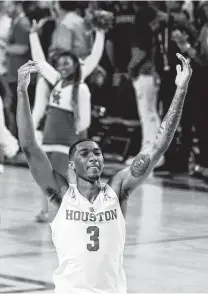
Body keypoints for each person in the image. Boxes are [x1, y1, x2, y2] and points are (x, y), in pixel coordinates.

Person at [16, 53, 192, 294]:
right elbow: (28, 146)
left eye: (97, 152)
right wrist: (21, 92)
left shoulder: (117, 190)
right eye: (84, 153)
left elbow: (157, 146)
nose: (93, 157)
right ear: (71, 165)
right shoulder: (61, 195)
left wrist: (180, 90)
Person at [29, 24, 105, 222]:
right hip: (50, 135)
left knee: (59, 176)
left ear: (76, 65)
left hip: (66, 138)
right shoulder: (56, 80)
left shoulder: (80, 88)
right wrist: (33, 35)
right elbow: (39, 62)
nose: (62, 67)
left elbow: (85, 120)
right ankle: (50, 210)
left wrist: (101, 33)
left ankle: (61, 212)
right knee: (47, 175)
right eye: (60, 64)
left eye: (67, 64)